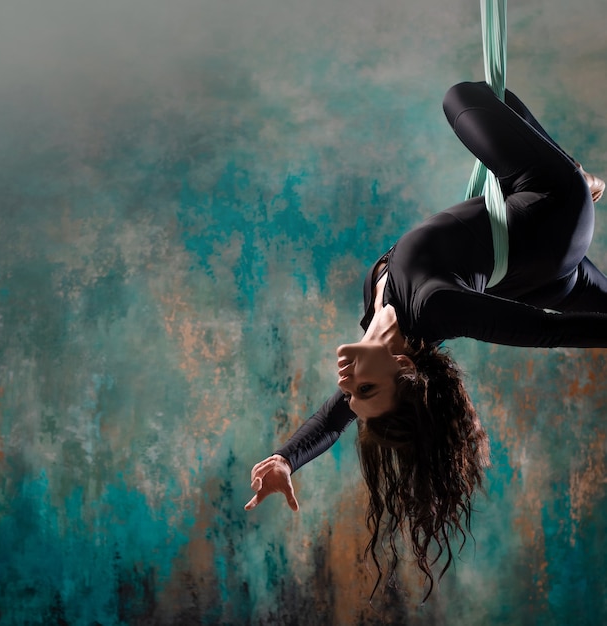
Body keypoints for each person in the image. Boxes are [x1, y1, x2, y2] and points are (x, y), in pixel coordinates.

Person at [244, 81, 607, 600]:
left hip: (538, 269)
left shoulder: (375, 317)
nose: (347, 388)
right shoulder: (436, 309)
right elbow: (550, 331)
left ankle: (578, 180)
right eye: (365, 391)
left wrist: (285, 459)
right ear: (403, 372)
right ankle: (581, 178)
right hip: (552, 212)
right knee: (467, 96)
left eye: (352, 398)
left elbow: (331, 420)